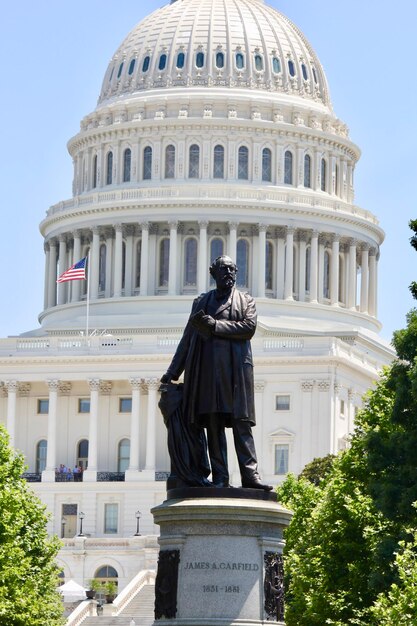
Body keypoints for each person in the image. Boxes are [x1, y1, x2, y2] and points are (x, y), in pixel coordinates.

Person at [161, 255, 272, 491]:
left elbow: (248, 328)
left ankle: (250, 475)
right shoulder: (201, 302)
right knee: (214, 426)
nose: (228, 274)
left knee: (242, 425)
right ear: (214, 273)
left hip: (236, 373)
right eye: (223, 270)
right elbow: (188, 339)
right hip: (208, 374)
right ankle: (221, 477)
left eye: (232, 269)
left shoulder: (246, 301)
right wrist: (172, 372)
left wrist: (214, 326)